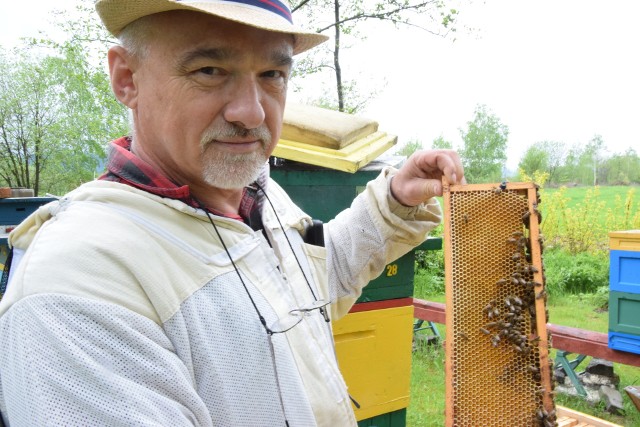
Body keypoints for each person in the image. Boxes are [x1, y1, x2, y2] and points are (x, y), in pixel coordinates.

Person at [0, 1, 465, 426]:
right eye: (209, 70)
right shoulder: (76, 287)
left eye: (272, 75)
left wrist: (392, 205)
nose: (252, 113)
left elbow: (304, 292)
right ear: (127, 78)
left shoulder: (256, 195)